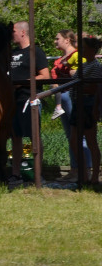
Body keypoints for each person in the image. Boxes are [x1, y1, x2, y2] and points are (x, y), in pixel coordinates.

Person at [9, 21, 50, 180]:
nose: (11, 34)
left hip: (29, 99)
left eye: (13, 31)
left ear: (23, 32)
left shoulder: (35, 52)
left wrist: (22, 83)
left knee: (34, 137)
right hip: (13, 101)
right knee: (15, 137)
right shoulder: (11, 53)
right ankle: (15, 173)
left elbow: (45, 76)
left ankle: (38, 174)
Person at [51, 29, 90, 178]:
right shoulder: (61, 59)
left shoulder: (76, 55)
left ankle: (86, 169)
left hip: (72, 96)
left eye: (57, 38)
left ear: (67, 40)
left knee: (80, 133)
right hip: (61, 96)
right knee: (70, 135)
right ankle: (74, 169)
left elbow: (78, 74)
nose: (55, 41)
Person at [71, 36, 101, 184]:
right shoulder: (83, 65)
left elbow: (94, 88)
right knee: (74, 141)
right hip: (78, 104)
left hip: (88, 105)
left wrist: (78, 87)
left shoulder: (96, 66)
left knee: (91, 141)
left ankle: (94, 176)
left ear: (92, 50)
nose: (81, 50)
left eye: (83, 47)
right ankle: (83, 174)